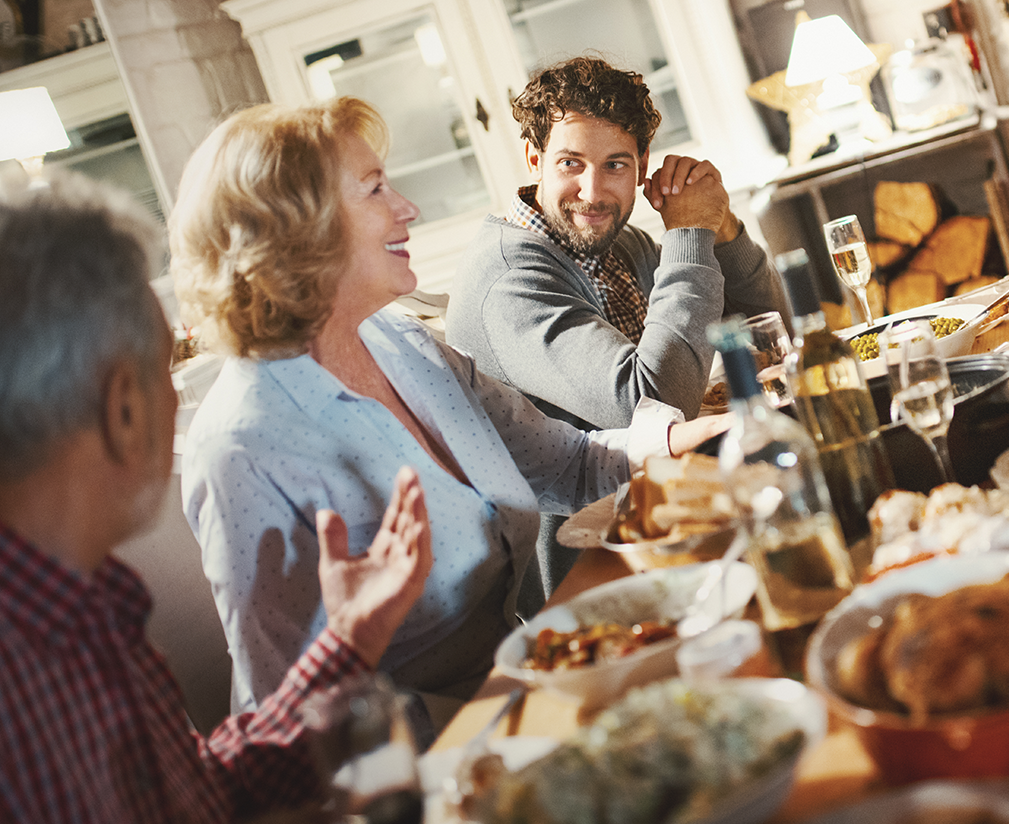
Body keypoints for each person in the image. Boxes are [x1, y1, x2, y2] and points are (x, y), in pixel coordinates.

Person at [171, 98, 722, 737]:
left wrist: (684, 440)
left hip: (519, 683)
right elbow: (294, 723)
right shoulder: (243, 446)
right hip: (423, 756)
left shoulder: (405, 346)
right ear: (295, 229)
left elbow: (567, 462)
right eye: (376, 188)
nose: (409, 208)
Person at [0, 172, 432, 823]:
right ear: (123, 408)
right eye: (164, 366)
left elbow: (198, 789)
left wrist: (348, 639)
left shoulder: (81, 598)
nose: (176, 394)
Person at [446, 56, 782, 432]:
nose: (592, 193)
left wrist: (719, 224)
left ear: (642, 165)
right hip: (602, 491)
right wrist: (688, 232)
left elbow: (768, 332)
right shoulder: (510, 283)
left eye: (615, 165)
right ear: (533, 159)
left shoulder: (621, 245)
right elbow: (655, 409)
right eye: (571, 163)